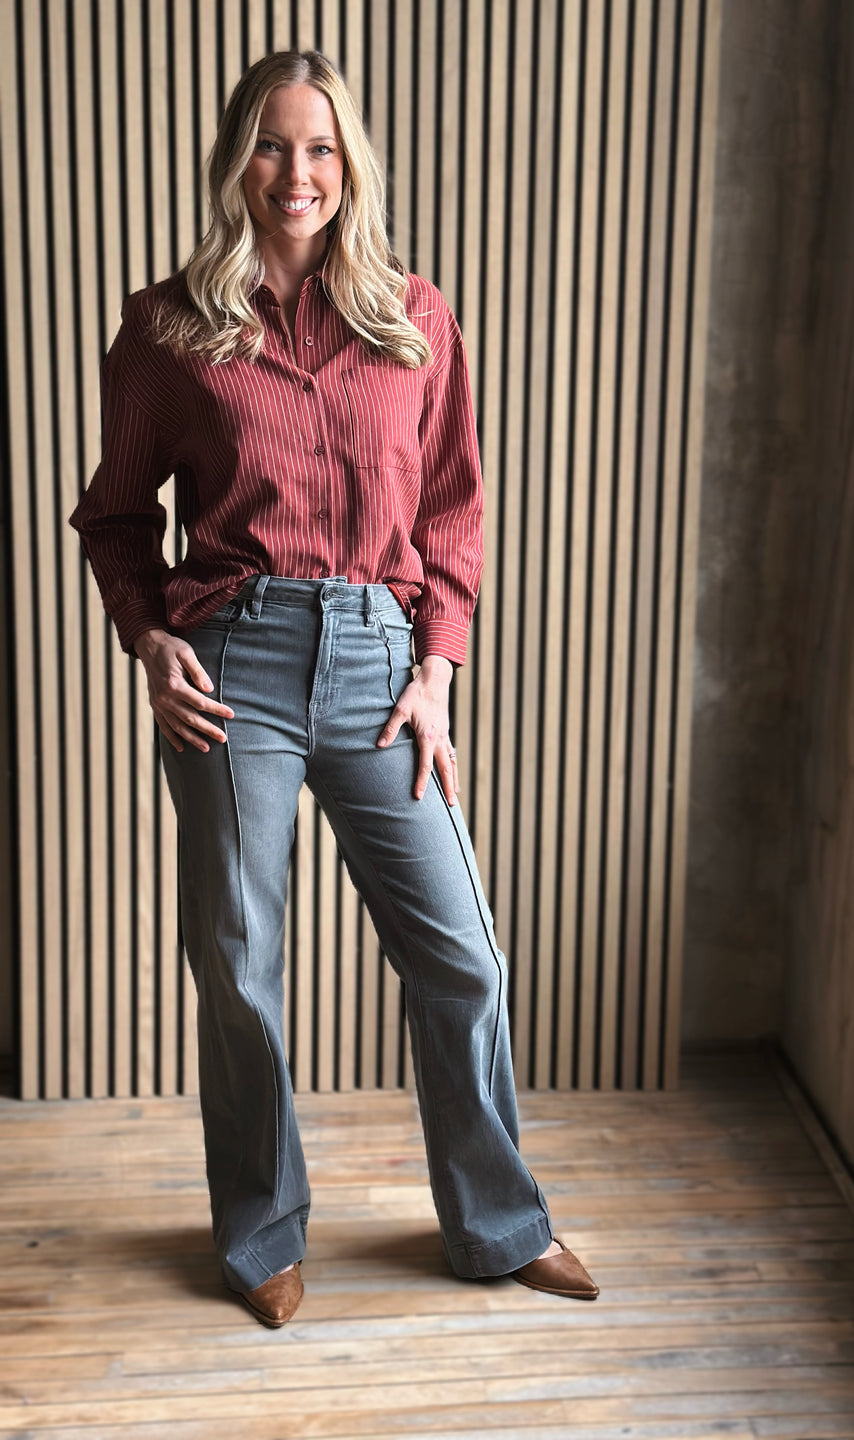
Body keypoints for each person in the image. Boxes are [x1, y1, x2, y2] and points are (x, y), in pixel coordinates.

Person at [70, 48, 597, 1328]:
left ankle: (497, 1222)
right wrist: (150, 644)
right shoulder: (167, 327)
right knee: (240, 965)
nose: (294, 173)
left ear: (349, 162)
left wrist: (437, 671)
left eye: (317, 147)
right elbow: (115, 516)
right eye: (268, 145)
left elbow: (458, 510)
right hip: (232, 662)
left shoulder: (416, 319)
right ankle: (260, 1235)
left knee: (462, 959)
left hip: (376, 659)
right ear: (233, 162)